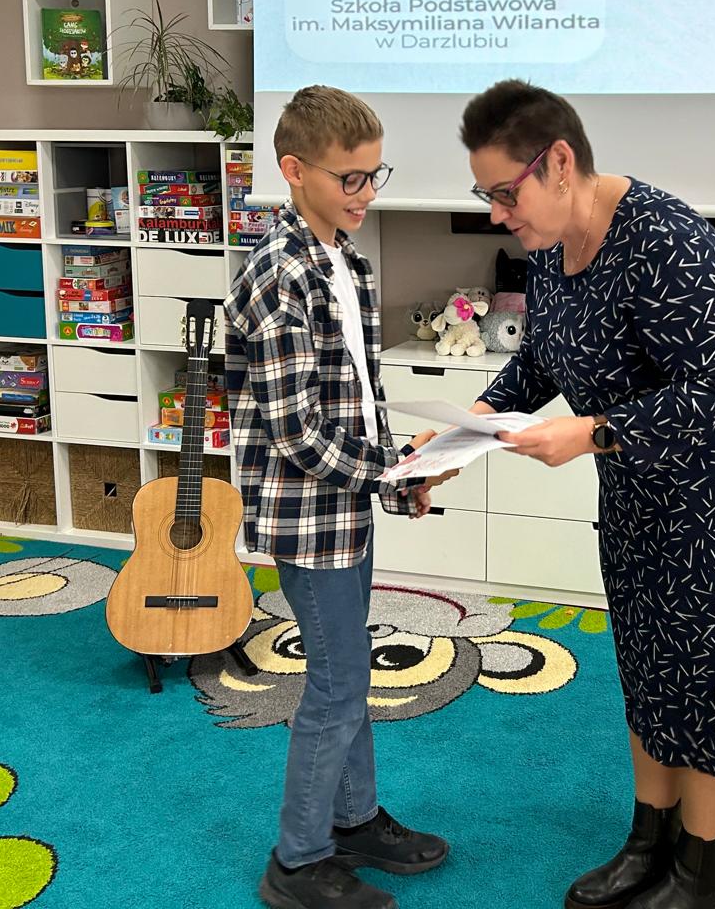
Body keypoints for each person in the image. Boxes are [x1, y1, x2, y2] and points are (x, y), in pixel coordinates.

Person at [458, 80, 715, 909]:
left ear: (558, 162)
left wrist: (592, 432)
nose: (497, 213)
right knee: (649, 660)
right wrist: (471, 425)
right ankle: (650, 842)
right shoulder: (550, 244)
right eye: (485, 195)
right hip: (645, 486)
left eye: (505, 193)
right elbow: (542, 358)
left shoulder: (668, 239)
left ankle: (701, 874)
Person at [227, 85, 451, 909]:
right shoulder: (277, 274)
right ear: (294, 171)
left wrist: (399, 474)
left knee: (348, 669)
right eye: (348, 178)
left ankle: (353, 820)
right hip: (305, 516)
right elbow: (297, 434)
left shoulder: (347, 264)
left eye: (373, 175)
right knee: (337, 679)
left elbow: (357, 399)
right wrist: (387, 470)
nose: (365, 193)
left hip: (344, 510)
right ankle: (297, 861)